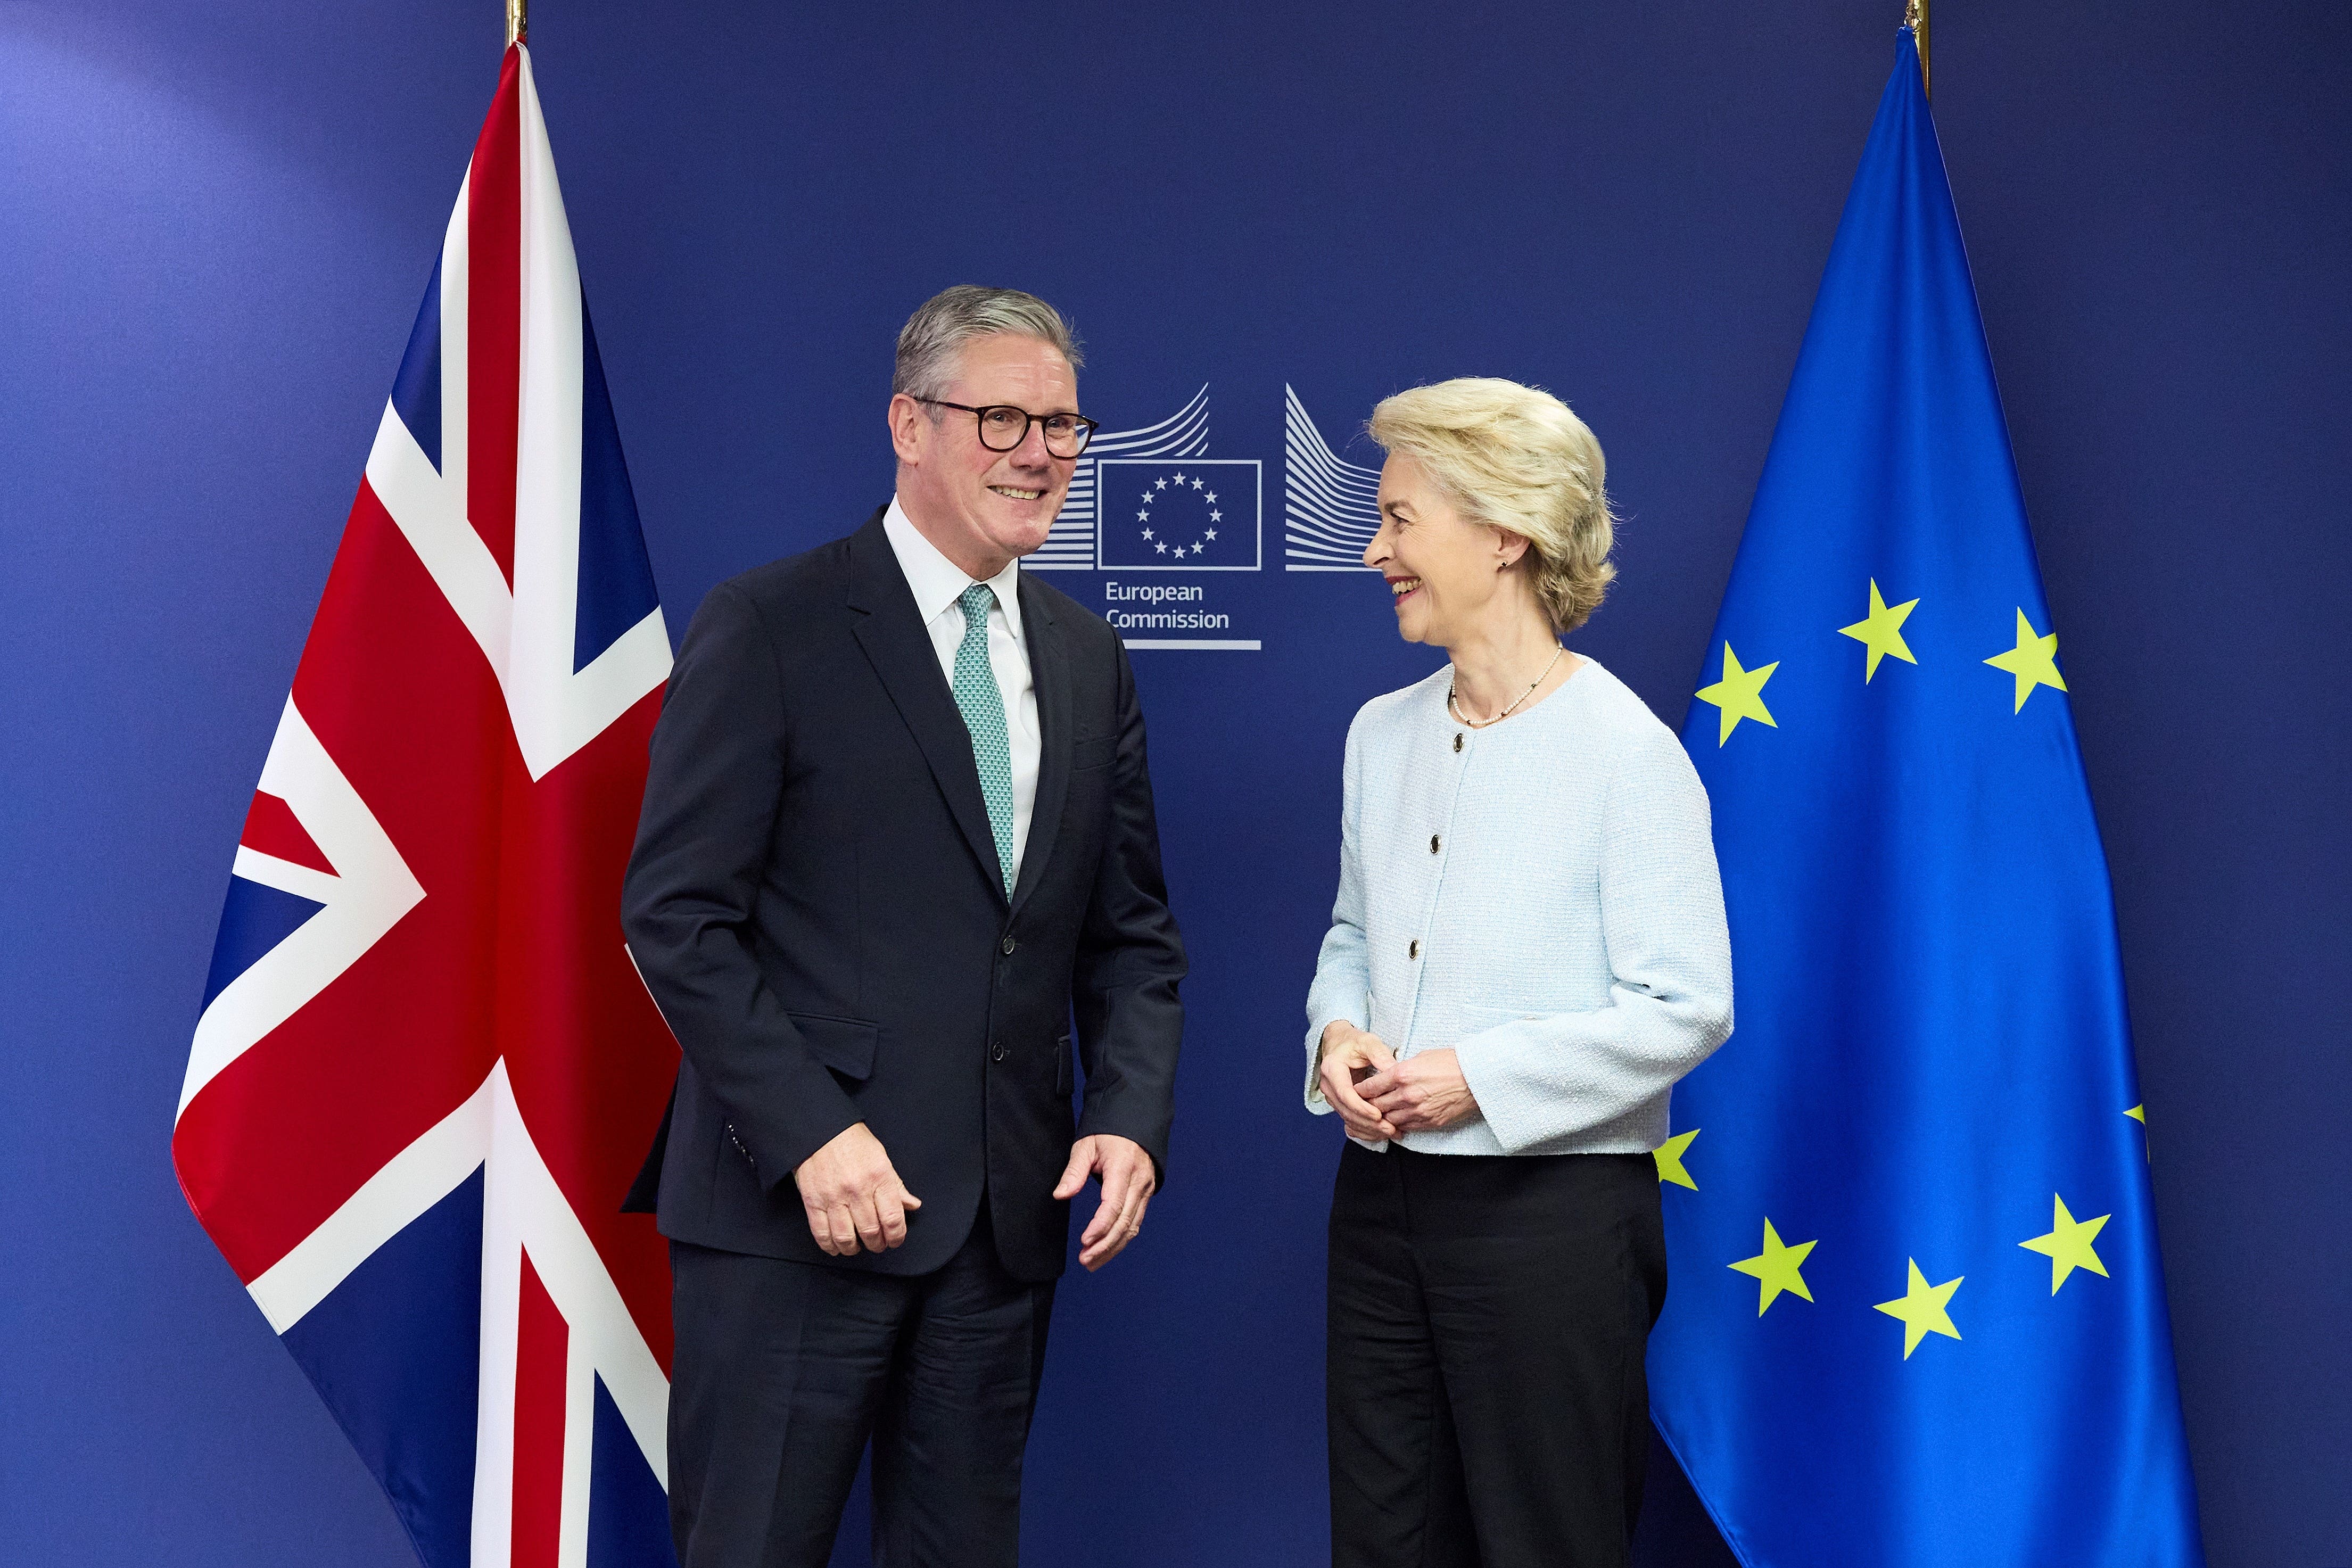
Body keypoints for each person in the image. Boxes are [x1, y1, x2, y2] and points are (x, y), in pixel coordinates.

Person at [621, 285, 1185, 1568]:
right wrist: (811, 1133)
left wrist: (1125, 1116)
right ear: (906, 425)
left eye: (1060, 424)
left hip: (1000, 1228)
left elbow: (1130, 936)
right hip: (792, 1220)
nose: (1037, 451)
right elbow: (676, 915)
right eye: (999, 418)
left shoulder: (1088, 657)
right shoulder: (773, 623)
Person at [1303, 377, 1732, 1568]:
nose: (1374, 550)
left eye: (1397, 520)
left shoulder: (1624, 753)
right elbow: (1351, 936)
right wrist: (1339, 1040)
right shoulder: (1376, 736)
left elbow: (1688, 1005)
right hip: (1379, 1210)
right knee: (1383, 1544)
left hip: (1553, 1223)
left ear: (1505, 534)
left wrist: (1475, 1079)